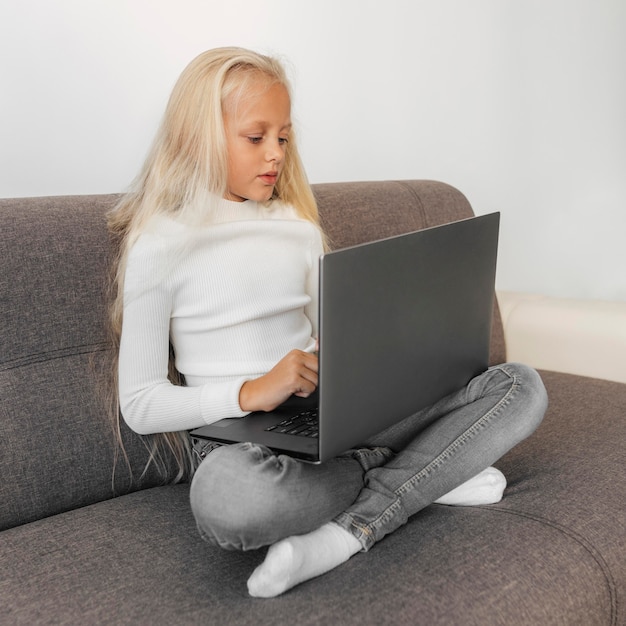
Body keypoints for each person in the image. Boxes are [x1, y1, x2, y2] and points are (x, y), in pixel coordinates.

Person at [108, 47, 548, 599]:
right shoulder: (159, 243)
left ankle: (345, 531)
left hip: (334, 416)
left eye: (284, 137)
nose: (276, 155)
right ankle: (422, 472)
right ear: (199, 136)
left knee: (519, 386)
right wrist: (250, 392)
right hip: (243, 442)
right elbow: (141, 403)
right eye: (256, 137)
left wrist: (362, 349)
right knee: (228, 504)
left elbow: (330, 335)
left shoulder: (295, 225)